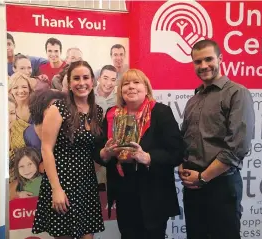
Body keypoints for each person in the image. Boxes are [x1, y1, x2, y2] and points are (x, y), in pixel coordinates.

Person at [179, 39, 255, 239]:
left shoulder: (237, 93)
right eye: (198, 61)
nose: (203, 66)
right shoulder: (193, 100)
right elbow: (184, 138)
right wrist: (181, 163)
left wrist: (204, 177)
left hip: (221, 185)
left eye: (208, 59)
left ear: (220, 59)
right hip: (193, 186)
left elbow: (237, 146)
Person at [96, 69, 185, 239]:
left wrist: (148, 157)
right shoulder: (111, 114)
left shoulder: (161, 112)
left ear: (146, 88)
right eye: (126, 84)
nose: (131, 87)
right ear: (120, 90)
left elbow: (177, 152)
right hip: (124, 193)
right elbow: (98, 150)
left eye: (136, 82)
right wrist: (106, 152)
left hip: (154, 194)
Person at [32, 61, 105, 239]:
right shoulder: (58, 109)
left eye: (86, 77)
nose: (82, 83)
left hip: (86, 184)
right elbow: (46, 149)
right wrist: (56, 189)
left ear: (93, 81)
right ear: (69, 83)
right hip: (62, 183)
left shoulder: (98, 111)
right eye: (76, 78)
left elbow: (95, 151)